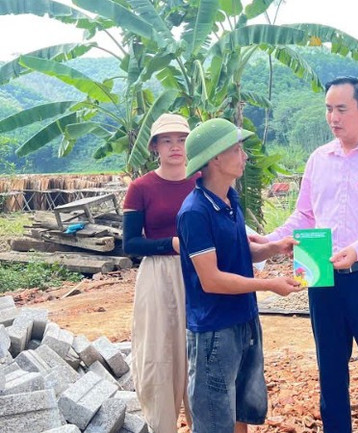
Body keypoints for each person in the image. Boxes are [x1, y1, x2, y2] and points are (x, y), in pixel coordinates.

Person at [263, 76, 358, 432]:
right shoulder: (319, 159)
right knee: (331, 371)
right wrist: (268, 243)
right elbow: (305, 215)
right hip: (322, 277)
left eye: (341, 109)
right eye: (329, 109)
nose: (333, 117)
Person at [176, 118, 302, 433]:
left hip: (243, 321)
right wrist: (269, 285)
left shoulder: (229, 200)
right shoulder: (195, 213)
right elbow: (212, 279)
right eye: (237, 149)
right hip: (214, 331)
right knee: (214, 421)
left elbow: (242, 254)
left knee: (239, 412)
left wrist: (275, 247)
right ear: (216, 158)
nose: (244, 156)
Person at [123, 113, 196, 433]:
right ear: (155, 147)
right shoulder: (141, 187)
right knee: (158, 349)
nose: (175, 147)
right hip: (158, 275)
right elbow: (131, 243)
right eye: (167, 140)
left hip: (200, 273)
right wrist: (172, 244)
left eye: (181, 140)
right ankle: (161, 424)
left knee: (198, 348)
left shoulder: (202, 181)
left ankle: (202, 422)